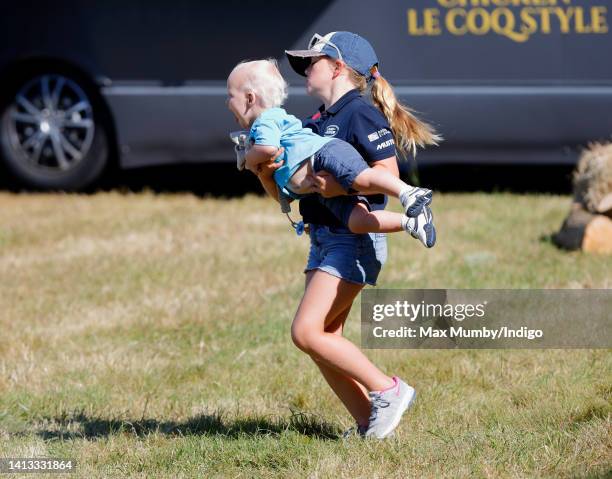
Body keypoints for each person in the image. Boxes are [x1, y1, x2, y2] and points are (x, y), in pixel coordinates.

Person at [256, 32, 440, 439]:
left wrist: (341, 188)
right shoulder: (316, 121)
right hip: (324, 238)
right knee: (324, 339)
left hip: (352, 240)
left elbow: (387, 178)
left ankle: (389, 390)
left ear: (338, 68)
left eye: (313, 63)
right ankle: (367, 422)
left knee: (306, 332)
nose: (305, 70)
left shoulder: (359, 112)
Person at [227, 59, 436, 247]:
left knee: (361, 178)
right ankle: (410, 222)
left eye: (313, 62)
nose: (306, 69)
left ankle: (408, 193)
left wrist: (248, 158)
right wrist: (263, 173)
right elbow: (283, 197)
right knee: (357, 222)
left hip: (323, 156)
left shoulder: (266, 123)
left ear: (250, 98)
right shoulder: (305, 122)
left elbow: (268, 149)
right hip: (317, 190)